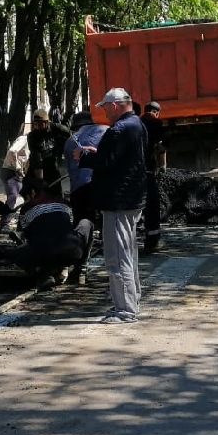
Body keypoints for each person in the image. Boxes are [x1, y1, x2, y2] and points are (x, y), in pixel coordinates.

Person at [77, 87, 147, 324]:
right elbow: (119, 158)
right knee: (129, 253)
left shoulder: (119, 129)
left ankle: (125, 310)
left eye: (106, 108)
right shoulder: (136, 124)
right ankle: (132, 299)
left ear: (115, 105)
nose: (105, 113)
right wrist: (99, 152)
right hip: (132, 198)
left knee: (117, 257)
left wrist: (85, 157)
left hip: (118, 201)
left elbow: (107, 162)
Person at [6, 185, 94, 288]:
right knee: (86, 223)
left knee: (17, 253)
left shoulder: (27, 208)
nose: (26, 200)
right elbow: (68, 228)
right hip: (71, 252)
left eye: (26, 197)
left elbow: (28, 238)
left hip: (42, 255)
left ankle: (44, 274)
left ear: (33, 192)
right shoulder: (65, 204)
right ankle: (81, 269)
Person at [64, 109, 107, 228]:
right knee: (106, 221)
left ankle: (81, 243)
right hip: (102, 186)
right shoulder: (105, 130)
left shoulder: (69, 141)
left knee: (82, 222)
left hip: (80, 189)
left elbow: (71, 173)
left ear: (76, 126)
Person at [138, 100, 166, 254]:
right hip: (148, 171)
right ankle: (152, 241)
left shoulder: (136, 122)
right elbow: (160, 147)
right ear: (157, 112)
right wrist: (162, 167)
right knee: (152, 205)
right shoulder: (156, 123)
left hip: (134, 172)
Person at [26, 109, 67, 194]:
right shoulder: (32, 136)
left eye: (40, 124)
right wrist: (40, 181)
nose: (37, 127)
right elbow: (36, 159)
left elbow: (72, 136)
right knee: (40, 195)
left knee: (57, 194)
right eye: (35, 124)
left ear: (47, 122)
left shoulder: (56, 128)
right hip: (38, 169)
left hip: (52, 166)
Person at [0, 131, 30, 232]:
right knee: (12, 196)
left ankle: (22, 224)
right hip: (10, 172)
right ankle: (3, 225)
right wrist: (17, 167)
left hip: (16, 173)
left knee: (27, 197)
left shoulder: (32, 143)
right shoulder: (24, 139)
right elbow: (12, 151)